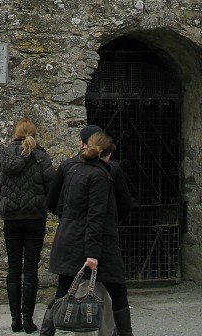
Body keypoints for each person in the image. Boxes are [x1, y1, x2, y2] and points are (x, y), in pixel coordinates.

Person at [46, 131, 135, 336]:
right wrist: (92, 254)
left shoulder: (71, 168)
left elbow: (58, 204)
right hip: (97, 243)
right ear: (107, 154)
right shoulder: (100, 175)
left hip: (70, 238)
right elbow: (96, 216)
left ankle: (46, 333)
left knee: (62, 292)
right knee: (118, 293)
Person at [0, 120, 56, 333]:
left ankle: (15, 319)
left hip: (11, 219)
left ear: (14, 134)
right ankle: (28, 319)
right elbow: (52, 187)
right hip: (35, 218)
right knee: (30, 270)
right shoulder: (41, 157)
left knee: (14, 269)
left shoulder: (3, 156)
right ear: (34, 135)